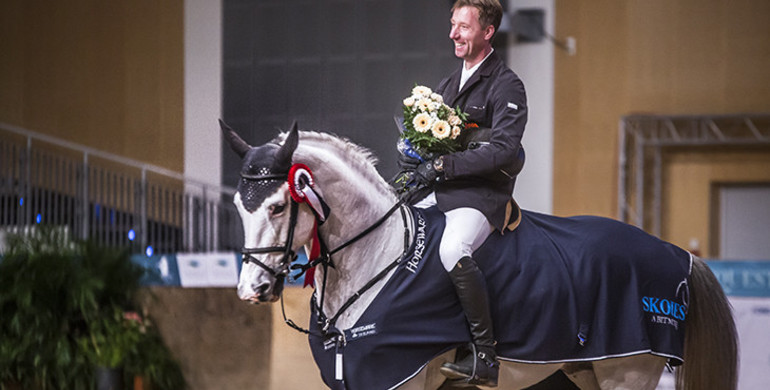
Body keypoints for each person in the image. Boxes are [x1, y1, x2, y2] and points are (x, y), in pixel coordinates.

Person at [398, 0, 527, 386]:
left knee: (453, 248)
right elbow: (437, 144)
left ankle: (484, 356)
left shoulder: (507, 85)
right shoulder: (446, 86)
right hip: (442, 190)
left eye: (464, 27)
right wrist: (413, 154)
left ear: (488, 32)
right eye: (453, 24)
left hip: (480, 197)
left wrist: (441, 166)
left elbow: (503, 150)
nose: (454, 34)